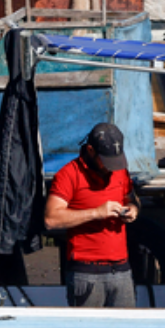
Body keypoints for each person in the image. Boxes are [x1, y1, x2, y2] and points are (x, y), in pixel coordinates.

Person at [44, 122, 140, 307]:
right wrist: (97, 212)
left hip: (122, 270)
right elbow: (51, 219)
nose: (112, 168)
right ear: (90, 150)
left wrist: (133, 210)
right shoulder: (68, 175)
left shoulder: (120, 172)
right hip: (86, 273)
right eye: (106, 161)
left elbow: (131, 199)